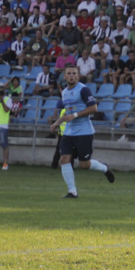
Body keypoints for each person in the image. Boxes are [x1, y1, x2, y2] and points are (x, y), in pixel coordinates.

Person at [49, 65, 114, 198]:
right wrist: (57, 122)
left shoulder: (83, 90)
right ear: (65, 76)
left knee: (85, 164)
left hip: (84, 132)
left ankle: (104, 168)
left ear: (78, 76)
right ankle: (72, 191)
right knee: (64, 159)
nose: (72, 76)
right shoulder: (65, 92)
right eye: (69, 73)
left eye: (74, 73)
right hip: (68, 132)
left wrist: (76, 115)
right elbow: (68, 111)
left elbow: (93, 108)